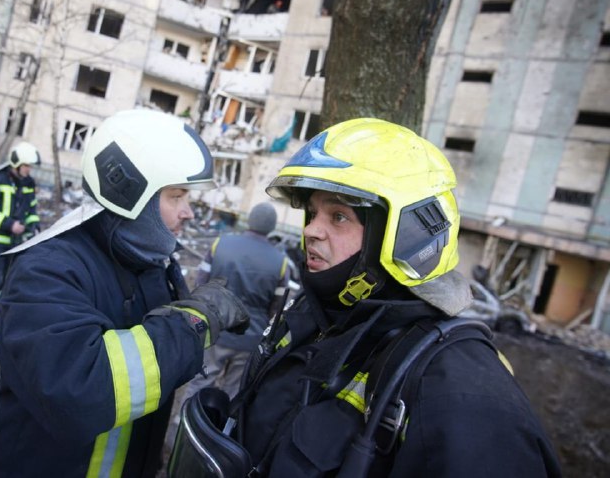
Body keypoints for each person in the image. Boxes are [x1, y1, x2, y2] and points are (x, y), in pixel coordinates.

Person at [169, 118, 562, 477]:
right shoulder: (314, 318)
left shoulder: (465, 393)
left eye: (338, 216)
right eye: (313, 213)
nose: (311, 231)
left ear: (406, 235)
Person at [0, 109, 249, 476]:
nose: (188, 212)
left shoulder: (147, 267)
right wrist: (192, 322)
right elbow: (79, 390)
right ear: (129, 191)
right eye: (177, 196)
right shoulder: (47, 270)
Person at [189, 201, 291, 396]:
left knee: (201, 382)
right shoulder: (281, 262)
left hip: (216, 330)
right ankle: (220, 426)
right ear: (272, 226)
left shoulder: (221, 244)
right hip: (250, 340)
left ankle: (183, 421)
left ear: (250, 220)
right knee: (233, 392)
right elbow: (276, 310)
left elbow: (200, 285)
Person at [0, 142, 41, 343]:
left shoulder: (28, 183)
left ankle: (0, 319)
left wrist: (35, 227)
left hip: (16, 241)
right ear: (16, 163)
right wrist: (9, 224)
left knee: (9, 282)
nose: (29, 170)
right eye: (26, 165)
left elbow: (31, 210)